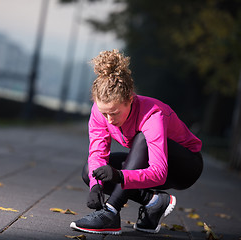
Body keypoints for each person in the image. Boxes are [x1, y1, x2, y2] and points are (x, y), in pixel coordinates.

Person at [70, 49, 203, 235]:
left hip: (185, 167)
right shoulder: (99, 112)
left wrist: (119, 176)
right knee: (91, 171)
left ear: (130, 99)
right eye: (104, 113)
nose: (109, 119)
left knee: (142, 138)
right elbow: (97, 154)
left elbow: (159, 173)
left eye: (114, 113)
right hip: (147, 159)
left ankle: (110, 212)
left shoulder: (153, 114)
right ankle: (155, 202)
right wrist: (95, 186)